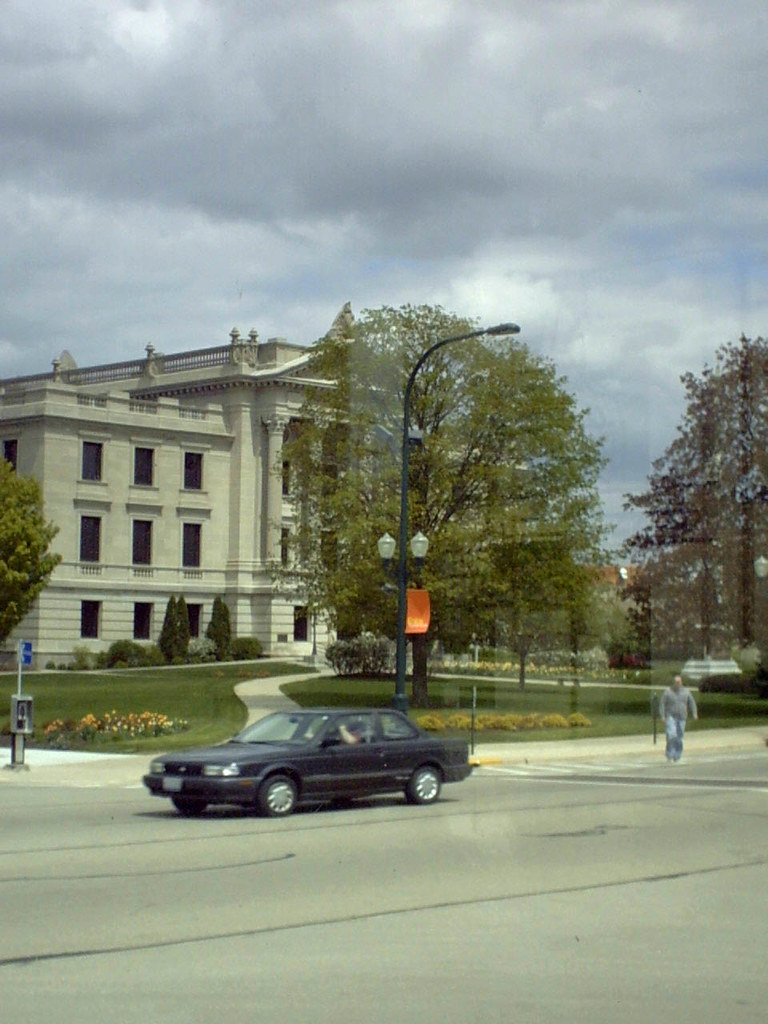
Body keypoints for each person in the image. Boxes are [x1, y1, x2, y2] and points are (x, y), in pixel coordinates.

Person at [659, 674, 698, 762]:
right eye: (676, 682)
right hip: (670, 716)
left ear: (681, 682)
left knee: (679, 737)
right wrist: (662, 716)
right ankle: (669, 753)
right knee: (672, 735)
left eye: (679, 682)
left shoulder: (686, 692)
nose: (677, 684)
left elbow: (692, 703)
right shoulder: (668, 692)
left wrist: (694, 713)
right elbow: (662, 704)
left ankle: (677, 755)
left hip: (682, 717)